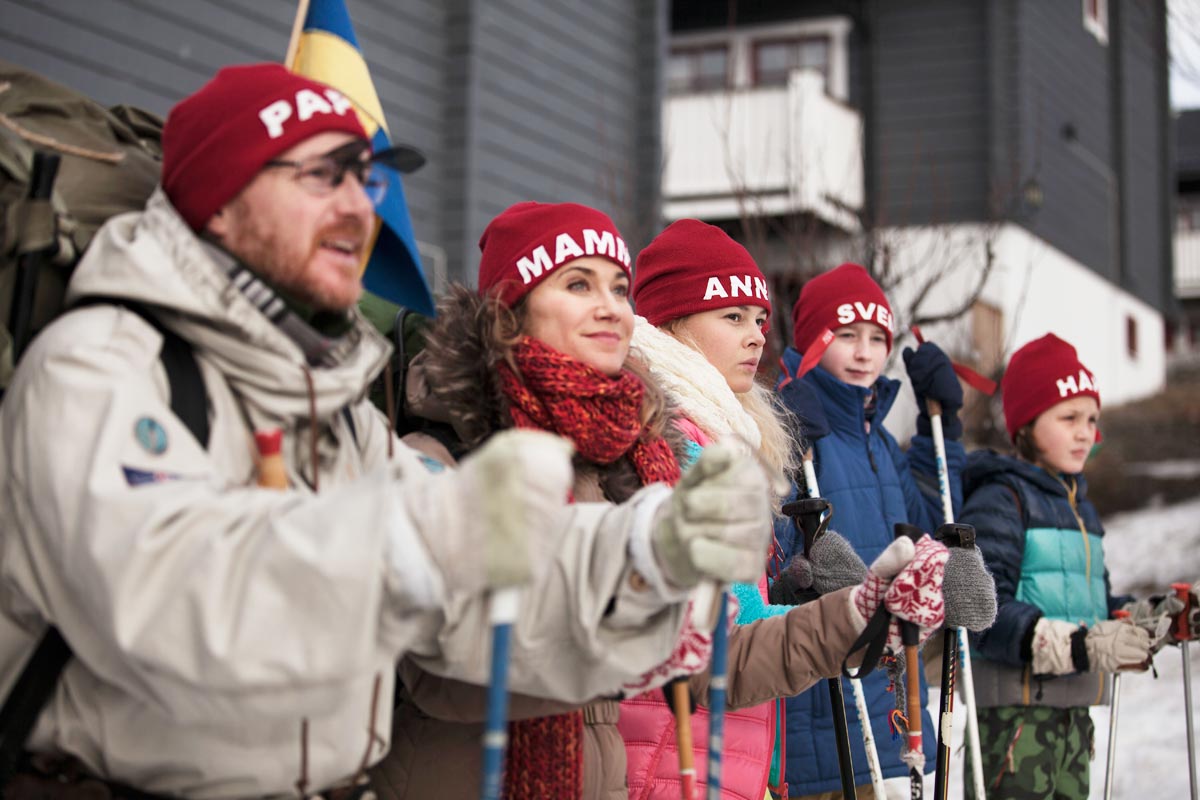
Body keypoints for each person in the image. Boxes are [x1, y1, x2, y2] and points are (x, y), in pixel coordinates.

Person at [0, 66, 775, 799]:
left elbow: (476, 614)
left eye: (363, 178)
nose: (357, 206)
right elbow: (164, 603)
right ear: (221, 202)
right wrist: (420, 534)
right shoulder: (106, 361)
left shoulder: (330, 405)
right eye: (319, 176)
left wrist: (639, 561)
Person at [377, 204, 948, 800]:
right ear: (508, 311)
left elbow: (712, 657)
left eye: (620, 287)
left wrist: (861, 613)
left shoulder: (624, 463)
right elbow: (445, 670)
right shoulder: (443, 454)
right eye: (578, 283)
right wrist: (636, 615)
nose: (610, 306)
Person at [620, 219, 922, 800]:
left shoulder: (726, 434)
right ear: (673, 324)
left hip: (730, 755)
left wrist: (786, 595)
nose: (757, 336)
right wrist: (847, 613)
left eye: (759, 319)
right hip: (668, 761)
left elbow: (730, 602)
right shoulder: (667, 438)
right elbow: (709, 637)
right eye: (732, 317)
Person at [775, 262, 968, 799]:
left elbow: (932, 532)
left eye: (877, 338)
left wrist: (942, 431)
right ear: (812, 341)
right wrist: (782, 438)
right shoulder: (795, 429)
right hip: (820, 703)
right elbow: (776, 549)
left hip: (890, 694)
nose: (864, 354)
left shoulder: (881, 443)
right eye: (845, 336)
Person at [962, 333, 1153, 800]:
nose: (1085, 431)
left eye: (1091, 419)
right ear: (1026, 425)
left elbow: (1091, 600)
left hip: (1073, 718)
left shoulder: (1079, 508)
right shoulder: (1000, 500)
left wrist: (1140, 619)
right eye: (1069, 418)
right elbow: (982, 611)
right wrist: (1083, 645)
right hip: (1011, 723)